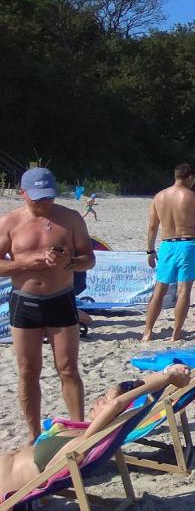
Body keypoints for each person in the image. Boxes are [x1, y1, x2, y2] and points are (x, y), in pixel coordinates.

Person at [0, 167, 96, 441]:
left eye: (48, 198)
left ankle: (79, 431)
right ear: (23, 193)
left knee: (68, 368)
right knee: (29, 371)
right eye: (37, 198)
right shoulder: (10, 222)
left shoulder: (71, 219)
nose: (44, 203)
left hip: (61, 299)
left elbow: (89, 259)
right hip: (25, 302)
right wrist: (25, 263)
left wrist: (69, 262)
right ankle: (33, 434)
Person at [0, 365, 190, 498]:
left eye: (103, 401)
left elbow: (116, 403)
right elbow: (119, 399)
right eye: (101, 397)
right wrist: (166, 373)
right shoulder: (79, 432)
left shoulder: (85, 444)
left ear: (113, 413)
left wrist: (167, 379)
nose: (98, 401)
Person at [142, 164, 195, 342]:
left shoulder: (159, 197)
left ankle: (147, 332)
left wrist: (150, 250)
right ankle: (176, 333)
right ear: (190, 177)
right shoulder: (193, 197)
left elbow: (152, 227)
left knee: (159, 290)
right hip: (187, 244)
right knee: (184, 290)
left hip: (166, 245)